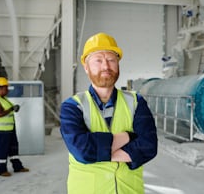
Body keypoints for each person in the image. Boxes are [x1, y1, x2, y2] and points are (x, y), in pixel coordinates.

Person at [60, 32, 158, 194]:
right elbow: (82, 150)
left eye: (111, 60)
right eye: (98, 60)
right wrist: (128, 137)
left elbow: (149, 146)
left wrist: (99, 153)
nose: (105, 66)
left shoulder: (136, 101)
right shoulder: (72, 106)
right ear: (86, 66)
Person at [0, 77, 29, 177]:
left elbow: (9, 110)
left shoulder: (5, 99)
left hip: (10, 129)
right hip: (2, 130)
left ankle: (17, 167)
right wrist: (12, 108)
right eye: (5, 88)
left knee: (13, 148)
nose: (7, 90)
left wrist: (14, 108)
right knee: (2, 150)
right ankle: (2, 170)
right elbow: (0, 113)